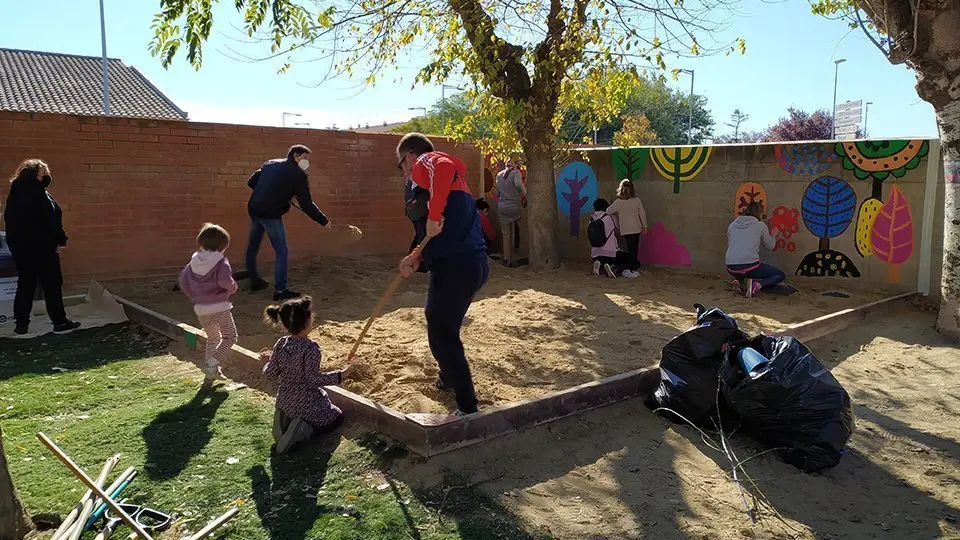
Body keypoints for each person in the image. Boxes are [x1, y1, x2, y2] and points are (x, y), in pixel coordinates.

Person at [396, 133, 488, 416]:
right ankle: (448, 377)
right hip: (465, 264)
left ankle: (467, 407)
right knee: (440, 325)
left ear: (410, 157)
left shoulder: (427, 161)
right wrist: (415, 258)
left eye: (401, 165)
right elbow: (430, 236)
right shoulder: (430, 192)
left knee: (441, 331)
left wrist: (435, 215)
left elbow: (447, 165)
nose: (403, 173)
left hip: (458, 265)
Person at [261, 295, 353, 454]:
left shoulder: (281, 343)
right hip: (307, 402)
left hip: (284, 401)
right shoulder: (311, 348)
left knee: (294, 411)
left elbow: (270, 374)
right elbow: (313, 379)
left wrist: (267, 362)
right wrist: (341, 374)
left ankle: (284, 422)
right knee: (337, 416)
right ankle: (303, 429)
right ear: (307, 321)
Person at [3, 159, 80, 335]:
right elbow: (51, 219)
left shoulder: (15, 193)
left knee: (26, 284)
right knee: (51, 284)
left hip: (21, 248)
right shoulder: (39, 194)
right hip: (43, 247)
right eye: (43, 173)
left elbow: (10, 222)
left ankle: (21, 323)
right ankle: (59, 321)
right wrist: (60, 240)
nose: (47, 176)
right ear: (36, 175)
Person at [245, 144, 330, 301]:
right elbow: (306, 204)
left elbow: (251, 183)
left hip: (254, 209)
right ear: (296, 155)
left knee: (253, 245)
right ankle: (280, 291)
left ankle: (255, 281)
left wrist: (271, 192)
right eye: (305, 158)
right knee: (282, 251)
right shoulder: (299, 175)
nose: (307, 162)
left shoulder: (270, 164)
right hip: (270, 214)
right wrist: (323, 221)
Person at [177, 223, 239, 381]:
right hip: (219, 307)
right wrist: (233, 287)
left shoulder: (193, 263)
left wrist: (193, 295)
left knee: (213, 337)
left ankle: (212, 369)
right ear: (222, 247)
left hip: (201, 309)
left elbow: (183, 281)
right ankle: (212, 362)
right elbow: (225, 281)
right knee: (230, 337)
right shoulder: (220, 262)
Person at [726, 201, 785, 297]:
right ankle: (756, 285)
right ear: (759, 213)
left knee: (742, 267)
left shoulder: (732, 225)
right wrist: (773, 235)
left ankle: (740, 281)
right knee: (780, 275)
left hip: (730, 266)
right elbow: (770, 247)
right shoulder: (760, 225)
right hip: (748, 265)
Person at [606, 179, 648, 279]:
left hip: (625, 230)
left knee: (629, 248)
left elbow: (608, 211)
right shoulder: (636, 201)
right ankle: (631, 268)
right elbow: (642, 214)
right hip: (636, 228)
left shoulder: (618, 202)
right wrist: (644, 226)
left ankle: (626, 267)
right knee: (634, 249)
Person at [495, 159, 526, 267]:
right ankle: (523, 255)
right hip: (515, 205)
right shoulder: (516, 173)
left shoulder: (499, 175)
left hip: (502, 207)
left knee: (506, 234)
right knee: (523, 228)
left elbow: (497, 192)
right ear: (516, 164)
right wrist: (524, 194)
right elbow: (518, 184)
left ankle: (507, 259)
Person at [588, 199, 620, 279]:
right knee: (609, 259)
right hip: (609, 248)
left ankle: (597, 263)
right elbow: (617, 229)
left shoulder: (592, 218)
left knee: (598, 258)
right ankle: (607, 265)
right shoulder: (611, 217)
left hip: (595, 248)